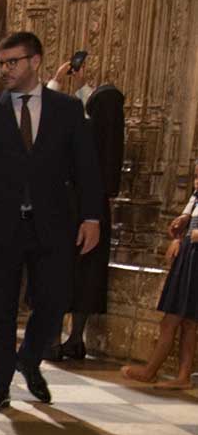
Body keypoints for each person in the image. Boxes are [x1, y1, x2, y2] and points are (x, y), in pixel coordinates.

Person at [0, 31, 103, 415]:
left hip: (53, 224)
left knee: (54, 301)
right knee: (0, 311)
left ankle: (29, 359)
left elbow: (86, 167)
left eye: (13, 62)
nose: (4, 69)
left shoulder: (67, 109)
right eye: (1, 63)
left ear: (35, 61)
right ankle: (0, 387)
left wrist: (91, 216)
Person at [50, 83, 125, 359]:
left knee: (62, 273)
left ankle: (53, 339)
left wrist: (60, 85)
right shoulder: (112, 139)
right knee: (88, 277)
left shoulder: (86, 133)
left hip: (72, 208)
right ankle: (75, 339)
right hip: (97, 212)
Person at [122, 163, 198, 387]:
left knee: (174, 319)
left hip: (195, 252)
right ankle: (182, 376)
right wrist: (181, 227)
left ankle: (150, 370)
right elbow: (192, 206)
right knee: (187, 321)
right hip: (190, 251)